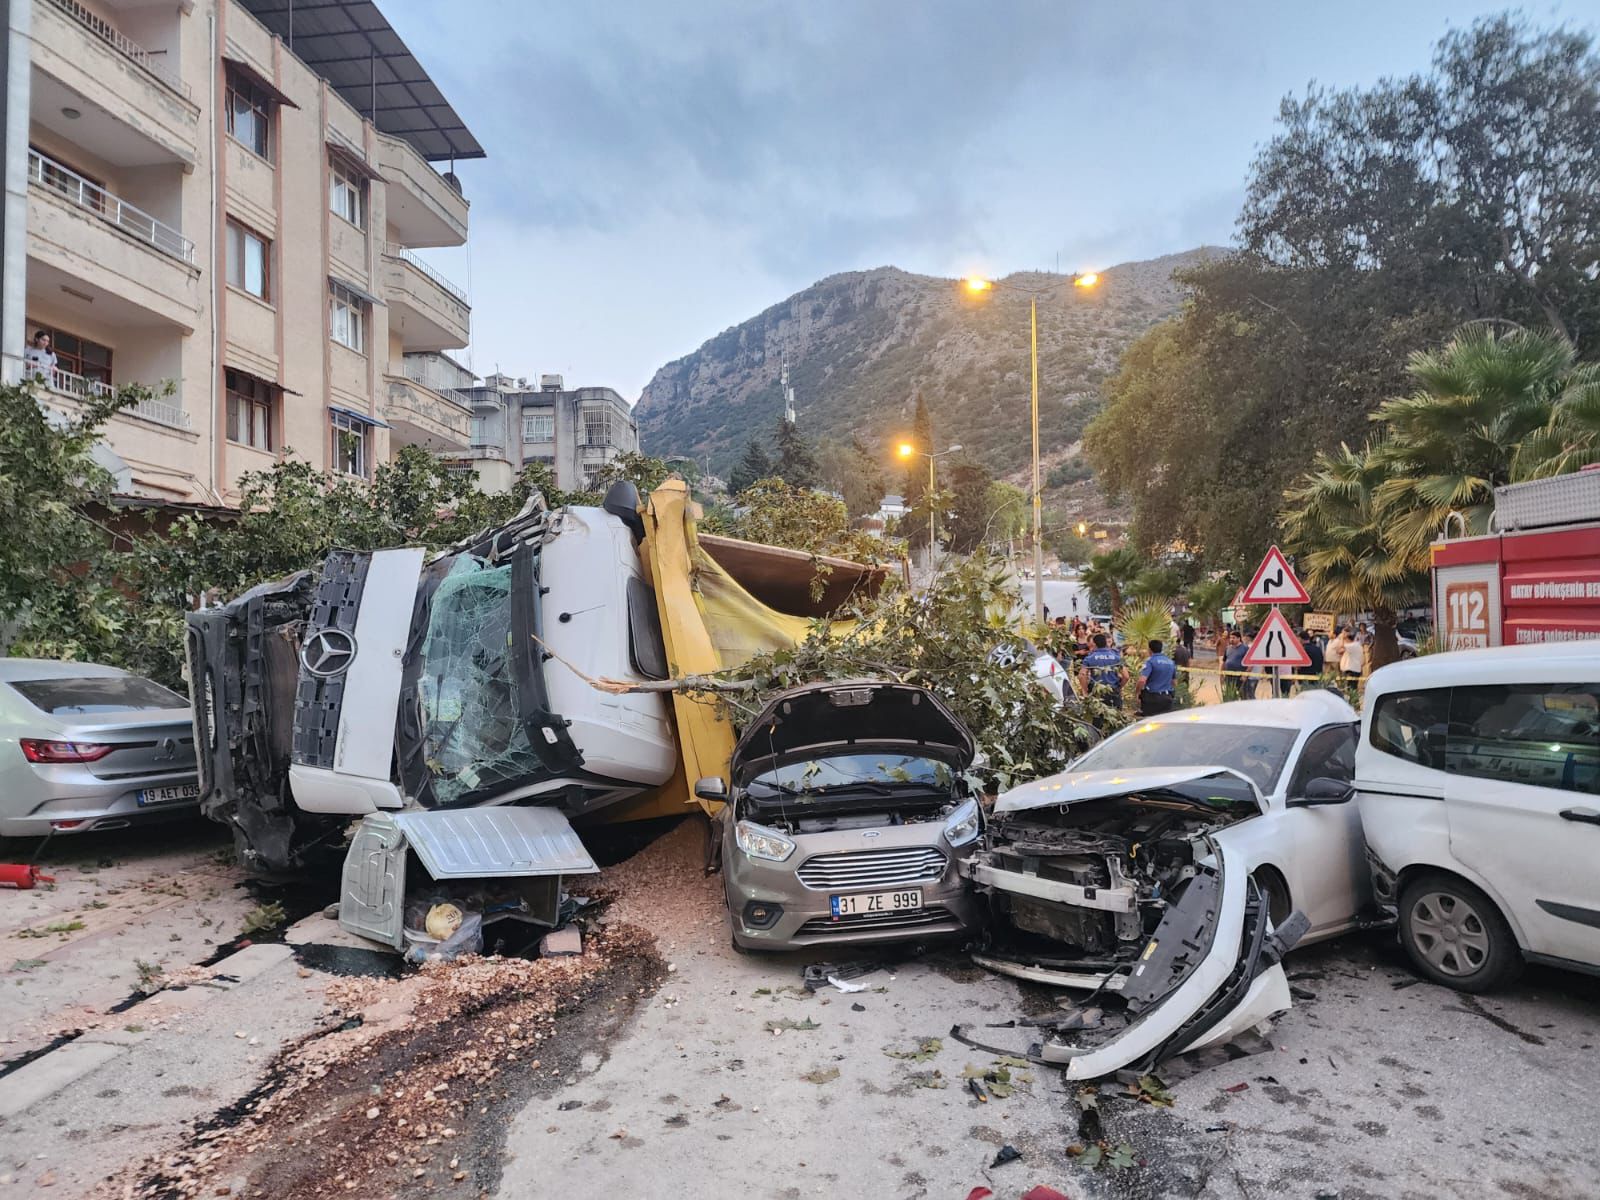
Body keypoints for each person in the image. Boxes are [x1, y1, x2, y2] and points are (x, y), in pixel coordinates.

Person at [1079, 633, 1126, 712]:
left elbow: (1081, 675)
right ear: (1105, 642)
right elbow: (1126, 676)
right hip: (1113, 692)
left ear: (1094, 644)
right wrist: (1119, 687)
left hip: (1097, 693)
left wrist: (1085, 691)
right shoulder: (1117, 658)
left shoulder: (1089, 658)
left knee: (1097, 719)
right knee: (1115, 718)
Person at [1137, 639, 1177, 716]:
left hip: (1152, 699)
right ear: (1161, 649)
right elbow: (1174, 682)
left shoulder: (1150, 661)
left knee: (1149, 723)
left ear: (1149, 650)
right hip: (1167, 698)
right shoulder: (1170, 662)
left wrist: (1137, 692)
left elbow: (1142, 680)